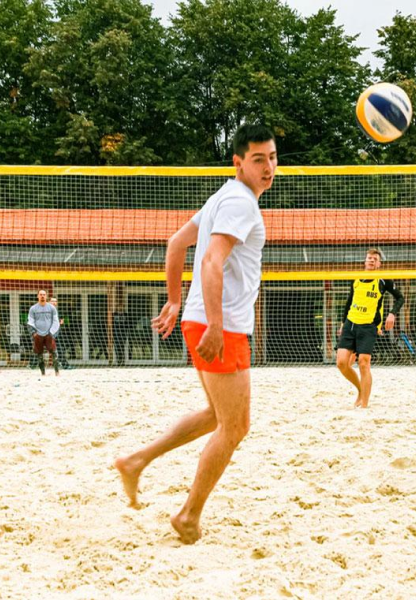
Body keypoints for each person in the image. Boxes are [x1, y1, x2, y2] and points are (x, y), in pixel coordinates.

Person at [115, 123, 277, 544]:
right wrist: (218, 325)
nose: (268, 167)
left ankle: (136, 461)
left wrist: (173, 301)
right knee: (235, 426)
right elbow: (210, 260)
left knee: (215, 416)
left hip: (198, 319)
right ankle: (188, 515)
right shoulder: (240, 203)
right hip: (218, 325)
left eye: (273, 158)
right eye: (258, 159)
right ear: (238, 162)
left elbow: (175, 244)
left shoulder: (221, 196)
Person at [336, 248, 404, 408]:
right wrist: (342, 322)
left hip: (368, 326)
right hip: (350, 324)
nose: (371, 260)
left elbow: (400, 298)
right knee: (341, 363)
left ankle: (364, 405)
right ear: (365, 261)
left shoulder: (383, 280)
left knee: (364, 363)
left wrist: (392, 314)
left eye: (375, 259)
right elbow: (349, 301)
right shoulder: (357, 278)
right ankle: (361, 390)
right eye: (369, 258)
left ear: (379, 263)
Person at [27, 290, 60, 376]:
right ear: (37, 296)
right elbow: (30, 321)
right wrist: (34, 333)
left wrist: (52, 333)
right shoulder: (33, 308)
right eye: (40, 294)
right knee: (39, 354)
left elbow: (56, 321)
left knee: (54, 353)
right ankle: (43, 373)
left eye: (44, 295)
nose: (42, 296)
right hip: (38, 335)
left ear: (46, 296)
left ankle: (57, 372)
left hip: (49, 334)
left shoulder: (52, 308)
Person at [50, 297, 70, 369]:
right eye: (52, 301)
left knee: (61, 349)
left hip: (57, 334)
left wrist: (60, 322)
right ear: (49, 302)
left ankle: (64, 364)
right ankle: (32, 364)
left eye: (55, 301)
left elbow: (61, 322)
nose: (54, 302)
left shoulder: (58, 312)